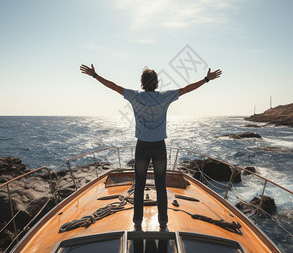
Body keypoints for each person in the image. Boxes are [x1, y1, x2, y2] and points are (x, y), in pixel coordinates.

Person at [80, 63, 222, 231]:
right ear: (156, 83)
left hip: (142, 146)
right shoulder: (164, 97)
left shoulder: (135, 96)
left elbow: (113, 86)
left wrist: (95, 76)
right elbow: (186, 89)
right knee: (160, 185)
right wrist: (206, 79)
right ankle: (163, 223)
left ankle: (137, 223)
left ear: (142, 82)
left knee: (139, 185)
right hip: (159, 147)